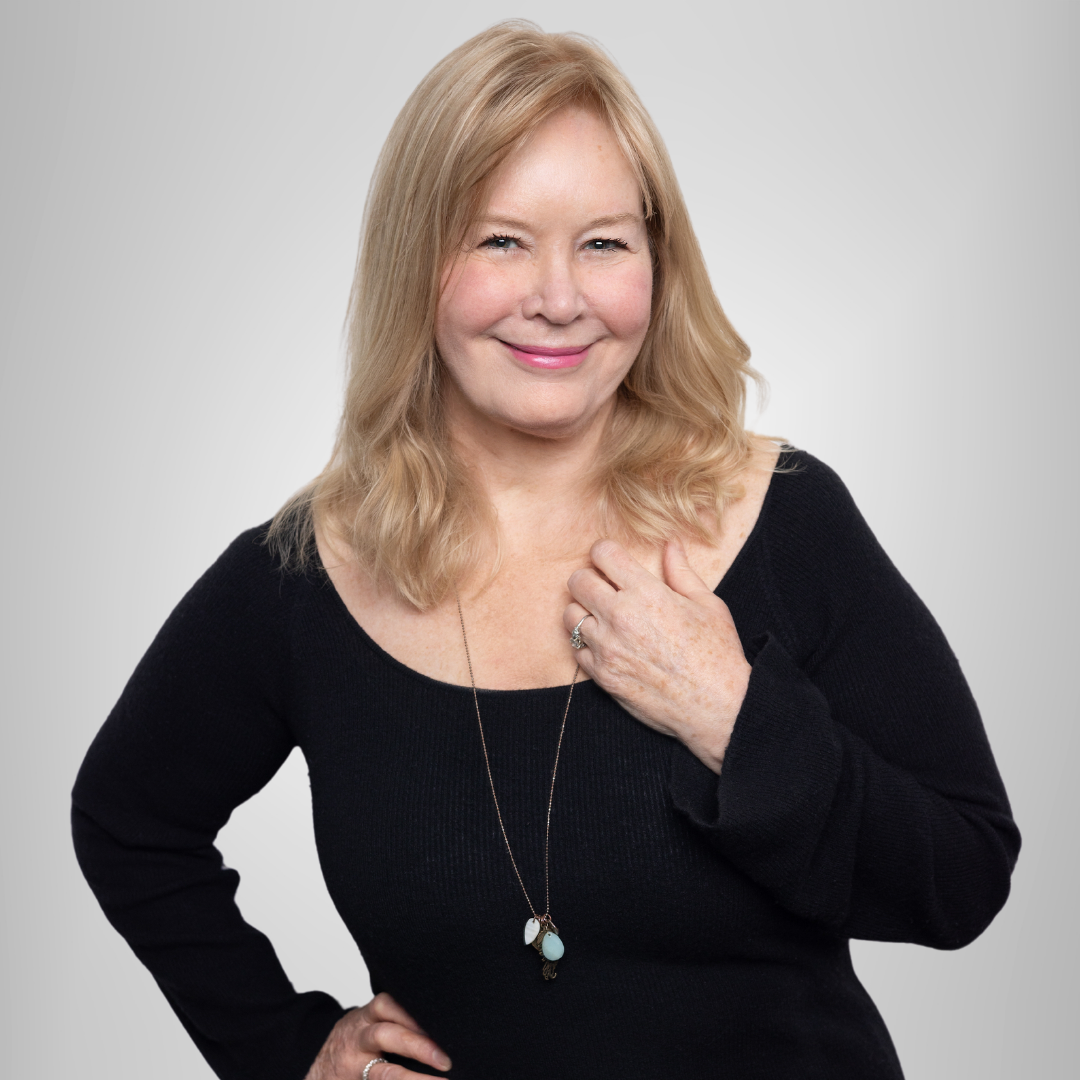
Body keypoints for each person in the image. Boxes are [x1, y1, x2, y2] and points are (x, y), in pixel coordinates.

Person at [72, 21, 1019, 1080]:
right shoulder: (303, 579)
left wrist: (734, 716)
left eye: (604, 242)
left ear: (658, 261)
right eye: (499, 240)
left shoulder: (784, 515)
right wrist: (288, 1052)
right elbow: (128, 821)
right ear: (417, 261)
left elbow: (964, 875)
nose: (559, 298)